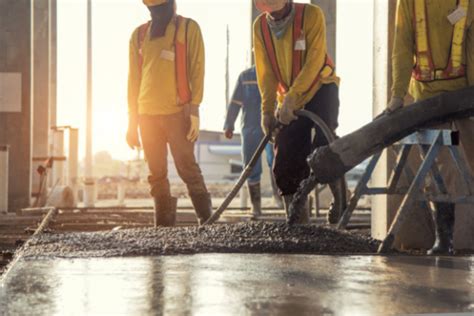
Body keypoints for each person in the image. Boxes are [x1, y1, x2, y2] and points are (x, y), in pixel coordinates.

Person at [388, 0, 474, 254]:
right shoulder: (410, 3)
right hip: (426, 98)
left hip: (464, 94)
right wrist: (397, 95)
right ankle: (444, 240)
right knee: (439, 171)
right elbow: (401, 46)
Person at [253, 0, 341, 223]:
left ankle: (341, 198)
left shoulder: (312, 15)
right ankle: (298, 225)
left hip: (321, 88)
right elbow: (266, 73)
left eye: (280, 11)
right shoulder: (260, 27)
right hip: (289, 100)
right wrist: (267, 110)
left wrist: (291, 99)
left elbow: (314, 61)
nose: (276, 17)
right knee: (285, 160)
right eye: (270, 12)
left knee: (324, 148)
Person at [127, 0, 212, 227]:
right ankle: (163, 227)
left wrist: (194, 109)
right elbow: (133, 81)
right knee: (156, 173)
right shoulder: (138, 35)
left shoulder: (188, 29)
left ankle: (207, 220)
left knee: (187, 167)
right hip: (146, 116)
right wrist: (131, 122)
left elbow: (197, 69)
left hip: (177, 113)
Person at [224, 66, 284, 218]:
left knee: (277, 161)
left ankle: (281, 199)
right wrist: (229, 124)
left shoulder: (278, 73)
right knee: (251, 164)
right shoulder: (245, 77)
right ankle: (255, 205)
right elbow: (235, 103)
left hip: (273, 126)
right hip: (250, 127)